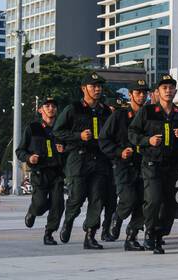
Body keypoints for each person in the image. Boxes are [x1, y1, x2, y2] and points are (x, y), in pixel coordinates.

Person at [129, 74, 178, 253]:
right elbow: (132, 133)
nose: (168, 91)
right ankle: (150, 232)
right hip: (152, 163)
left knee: (170, 204)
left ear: (175, 91)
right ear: (157, 92)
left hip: (173, 165)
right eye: (164, 88)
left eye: (171, 88)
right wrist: (147, 140)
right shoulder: (148, 112)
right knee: (153, 199)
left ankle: (160, 233)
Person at [55, 72, 115, 249]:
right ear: (84, 88)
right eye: (93, 86)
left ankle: (90, 235)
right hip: (78, 158)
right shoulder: (73, 108)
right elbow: (58, 131)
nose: (97, 89)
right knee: (77, 197)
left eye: (99, 86)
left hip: (100, 160)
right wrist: (78, 136)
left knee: (97, 198)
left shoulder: (105, 111)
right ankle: (68, 220)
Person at [101, 79, 148, 248]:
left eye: (144, 93)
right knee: (128, 199)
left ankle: (132, 236)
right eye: (138, 93)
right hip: (123, 164)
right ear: (131, 95)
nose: (141, 96)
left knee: (144, 201)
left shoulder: (150, 115)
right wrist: (119, 152)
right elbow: (104, 139)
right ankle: (117, 217)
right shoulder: (119, 115)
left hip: (144, 164)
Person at [18, 96, 65, 244]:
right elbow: (20, 151)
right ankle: (33, 211)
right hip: (40, 173)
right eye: (47, 106)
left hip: (57, 173)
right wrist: (29, 158)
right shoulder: (32, 128)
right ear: (41, 109)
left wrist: (64, 150)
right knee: (40, 204)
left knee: (58, 204)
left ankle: (49, 233)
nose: (51, 108)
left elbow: (70, 148)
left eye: (53, 106)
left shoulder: (61, 129)